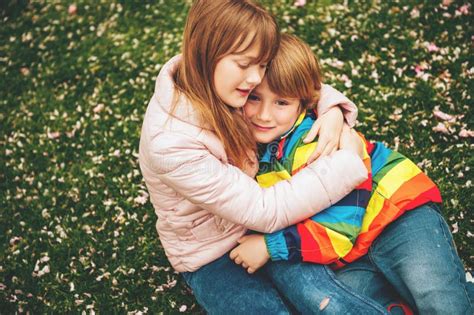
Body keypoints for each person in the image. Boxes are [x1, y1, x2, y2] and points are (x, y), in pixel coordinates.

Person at [139, 0, 389, 313]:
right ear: (205, 52)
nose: (257, 78)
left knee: (326, 300)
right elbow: (264, 209)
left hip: (265, 228)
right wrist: (348, 161)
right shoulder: (171, 144)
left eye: (262, 65)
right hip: (212, 253)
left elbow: (291, 85)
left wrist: (332, 109)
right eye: (245, 65)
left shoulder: (215, 81)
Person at [230, 33, 474, 314]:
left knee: (440, 301)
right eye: (255, 98)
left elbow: (341, 222)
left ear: (303, 102)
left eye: (281, 103)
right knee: (363, 307)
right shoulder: (247, 151)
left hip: (396, 216)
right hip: (348, 255)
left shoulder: (319, 140)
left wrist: (270, 246)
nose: (263, 115)